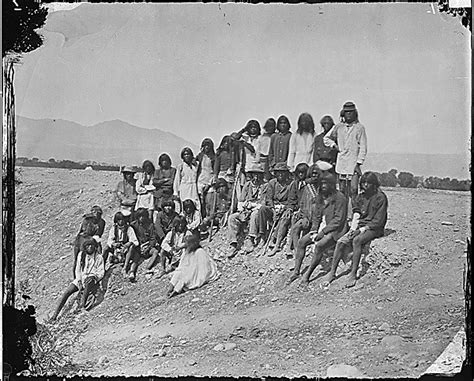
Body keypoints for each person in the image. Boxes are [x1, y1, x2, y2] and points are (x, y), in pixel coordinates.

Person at [323, 171, 388, 288]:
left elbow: (378, 221)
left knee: (357, 240)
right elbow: (357, 212)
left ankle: (353, 273)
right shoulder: (361, 196)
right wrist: (353, 228)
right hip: (361, 225)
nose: (366, 185)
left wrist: (362, 229)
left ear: (374, 184)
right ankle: (332, 273)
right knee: (341, 241)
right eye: (364, 183)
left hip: (374, 228)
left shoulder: (380, 197)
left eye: (369, 183)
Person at [288, 172, 348, 285]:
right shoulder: (321, 196)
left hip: (336, 230)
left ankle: (307, 275)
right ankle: (296, 271)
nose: (324, 186)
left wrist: (323, 232)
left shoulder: (340, 198)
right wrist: (314, 229)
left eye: (326, 183)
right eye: (322, 183)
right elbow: (317, 215)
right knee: (301, 242)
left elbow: (338, 220)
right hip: (322, 228)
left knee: (319, 246)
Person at [323, 102, 367, 202]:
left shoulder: (359, 128)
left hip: (353, 162)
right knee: (342, 190)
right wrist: (334, 145)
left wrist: (359, 162)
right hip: (342, 162)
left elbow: (363, 146)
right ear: (343, 113)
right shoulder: (339, 127)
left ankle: (354, 214)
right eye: (346, 112)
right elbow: (326, 139)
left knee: (354, 189)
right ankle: (343, 214)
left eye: (351, 112)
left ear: (354, 113)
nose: (348, 114)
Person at [51, 239, 104, 320]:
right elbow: (78, 269)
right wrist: (79, 280)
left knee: (88, 283)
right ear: (85, 247)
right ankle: (55, 315)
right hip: (81, 277)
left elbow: (101, 272)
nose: (90, 247)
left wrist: (94, 277)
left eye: (92, 245)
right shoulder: (81, 255)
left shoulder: (98, 257)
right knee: (67, 291)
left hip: (91, 278)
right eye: (88, 246)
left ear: (95, 246)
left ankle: (82, 306)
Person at [268, 162, 309, 257]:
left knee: (294, 219)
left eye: (303, 173)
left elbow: (310, 202)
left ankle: (289, 246)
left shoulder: (309, 185)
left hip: (305, 212)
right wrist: (290, 209)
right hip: (296, 209)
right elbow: (291, 199)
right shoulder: (295, 184)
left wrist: (301, 211)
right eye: (299, 173)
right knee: (285, 217)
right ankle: (277, 244)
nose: (301, 175)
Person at [251, 162, 293, 254]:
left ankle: (275, 241)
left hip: (284, 208)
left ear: (286, 173)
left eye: (283, 172)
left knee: (284, 218)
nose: (280, 174)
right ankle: (262, 236)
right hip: (274, 207)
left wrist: (283, 208)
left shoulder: (290, 184)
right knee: (262, 209)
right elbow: (269, 198)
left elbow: (291, 200)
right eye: (278, 172)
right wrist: (273, 209)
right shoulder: (272, 183)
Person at [228, 164, 266, 257]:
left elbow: (263, 202)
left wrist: (253, 205)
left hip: (256, 209)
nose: (256, 177)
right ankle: (233, 243)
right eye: (254, 174)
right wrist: (243, 207)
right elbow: (241, 201)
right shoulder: (247, 185)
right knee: (232, 217)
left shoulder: (264, 186)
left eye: (258, 175)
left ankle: (251, 238)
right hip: (246, 209)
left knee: (255, 214)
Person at [166, 232, 219, 298]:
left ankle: (175, 291)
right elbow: (184, 265)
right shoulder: (188, 251)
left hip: (199, 272)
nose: (185, 245)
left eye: (187, 244)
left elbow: (202, 269)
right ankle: (169, 290)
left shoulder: (200, 252)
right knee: (178, 273)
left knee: (185, 278)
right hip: (190, 269)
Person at [287, 163, 323, 256]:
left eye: (316, 174)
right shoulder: (307, 187)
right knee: (295, 227)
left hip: (319, 218)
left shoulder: (322, 187)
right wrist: (303, 215)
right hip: (307, 216)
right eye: (313, 174)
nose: (314, 176)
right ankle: (296, 250)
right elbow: (302, 203)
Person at [72, 205, 105, 277]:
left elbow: (99, 234)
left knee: (98, 253)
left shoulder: (102, 222)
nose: (96, 215)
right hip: (81, 240)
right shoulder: (87, 220)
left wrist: (95, 240)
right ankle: (76, 277)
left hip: (93, 239)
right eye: (95, 213)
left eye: (98, 213)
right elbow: (83, 232)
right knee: (78, 259)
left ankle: (97, 271)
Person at [128, 208, 160, 282]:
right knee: (136, 256)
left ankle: (147, 268)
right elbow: (131, 236)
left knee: (155, 252)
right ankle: (132, 272)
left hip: (147, 246)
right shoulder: (133, 225)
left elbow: (153, 238)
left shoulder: (150, 225)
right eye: (139, 216)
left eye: (143, 216)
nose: (141, 218)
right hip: (138, 246)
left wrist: (148, 247)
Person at [102, 211, 138, 276]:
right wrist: (113, 244)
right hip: (116, 249)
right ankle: (102, 267)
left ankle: (125, 267)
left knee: (132, 247)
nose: (121, 222)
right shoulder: (114, 228)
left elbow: (135, 241)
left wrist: (128, 243)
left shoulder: (129, 228)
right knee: (106, 248)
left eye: (122, 220)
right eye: (119, 220)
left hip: (125, 250)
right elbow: (109, 240)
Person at [174, 147, 200, 214]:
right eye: (185, 154)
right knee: (185, 205)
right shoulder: (181, 166)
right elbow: (177, 180)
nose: (187, 156)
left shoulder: (196, 165)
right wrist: (176, 192)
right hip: (184, 187)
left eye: (188, 154)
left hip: (193, 187)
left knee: (195, 204)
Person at [196, 138, 216, 215]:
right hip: (200, 181)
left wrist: (209, 184)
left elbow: (215, 172)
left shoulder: (214, 157)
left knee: (209, 202)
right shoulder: (200, 156)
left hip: (210, 182)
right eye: (205, 145)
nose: (207, 147)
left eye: (208, 145)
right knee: (200, 204)